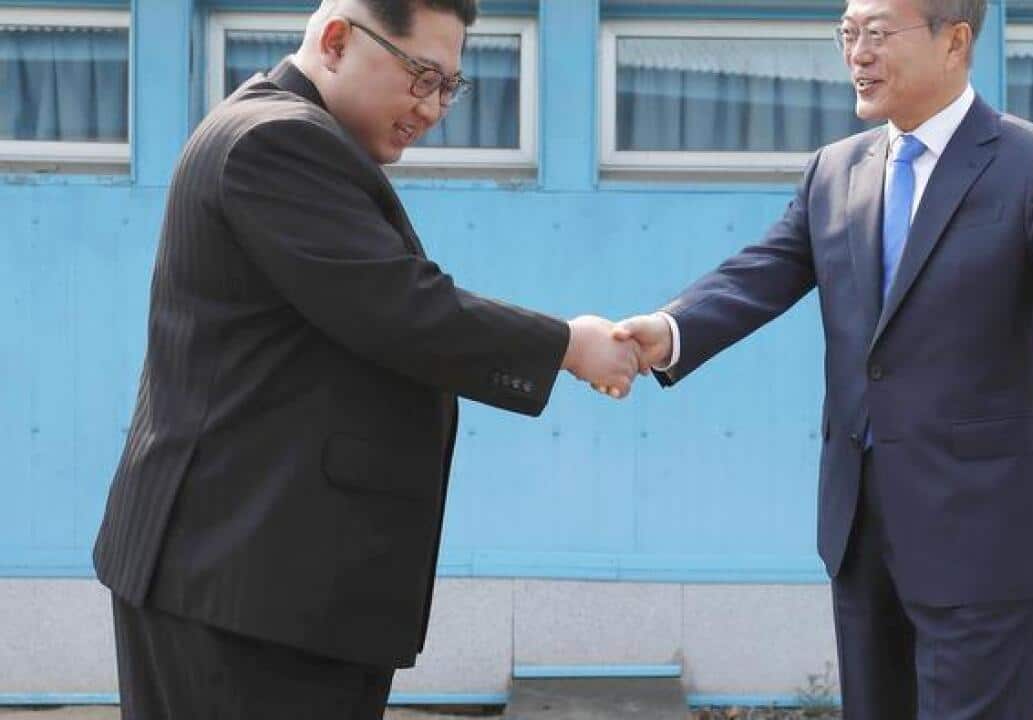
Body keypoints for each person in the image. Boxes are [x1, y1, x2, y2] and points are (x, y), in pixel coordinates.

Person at [614, 0, 1033, 716]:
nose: (858, 53)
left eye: (879, 33)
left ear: (955, 41)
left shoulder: (1032, 165)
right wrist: (668, 329)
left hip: (987, 529)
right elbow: (761, 273)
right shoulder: (836, 170)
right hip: (863, 527)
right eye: (848, 33)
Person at [93, 1, 640, 717]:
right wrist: (568, 346)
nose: (433, 108)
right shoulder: (276, 141)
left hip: (254, 581)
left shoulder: (281, 134)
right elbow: (399, 307)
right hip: (242, 594)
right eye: (422, 76)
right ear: (336, 40)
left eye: (449, 87)